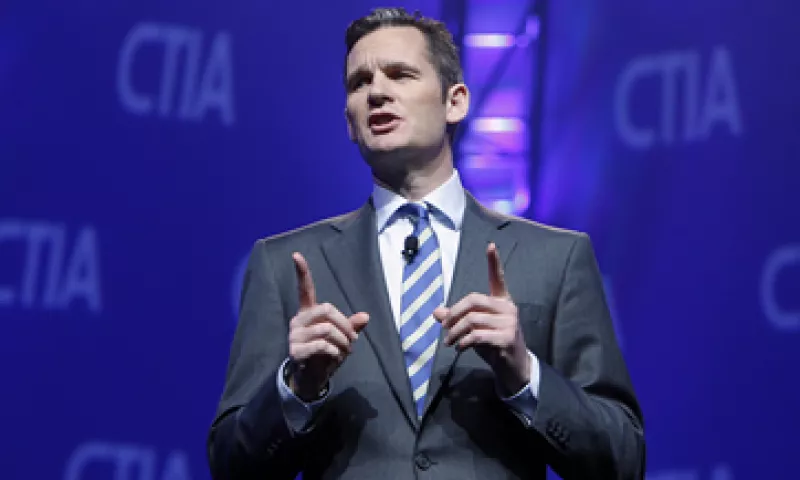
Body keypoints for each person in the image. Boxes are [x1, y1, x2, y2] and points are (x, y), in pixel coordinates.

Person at [206, 7, 645, 480]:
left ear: (454, 101)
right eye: (359, 83)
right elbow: (232, 465)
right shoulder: (285, 266)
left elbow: (622, 460)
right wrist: (296, 388)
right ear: (350, 123)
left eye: (400, 74)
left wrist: (525, 374)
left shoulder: (556, 259)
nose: (376, 92)